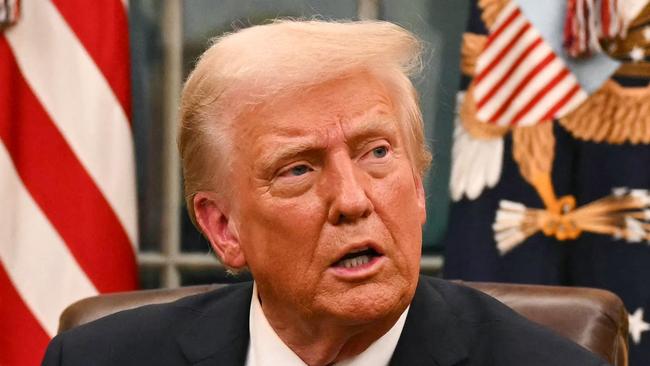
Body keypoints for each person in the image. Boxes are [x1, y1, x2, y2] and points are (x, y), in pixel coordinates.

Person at [42, 20, 609, 366]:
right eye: (297, 170)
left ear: (417, 186)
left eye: (377, 153)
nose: (353, 200)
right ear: (223, 228)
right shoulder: (99, 360)